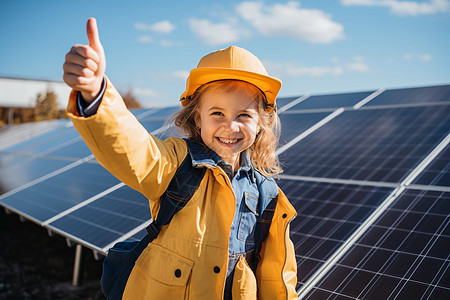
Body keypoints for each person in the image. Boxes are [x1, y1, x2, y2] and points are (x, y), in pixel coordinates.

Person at [63, 18, 297, 299]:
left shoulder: (267, 196)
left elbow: (276, 279)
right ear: (198, 118)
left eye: (244, 115)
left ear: (261, 122)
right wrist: (96, 93)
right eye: (217, 113)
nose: (230, 126)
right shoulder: (177, 163)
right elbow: (135, 151)